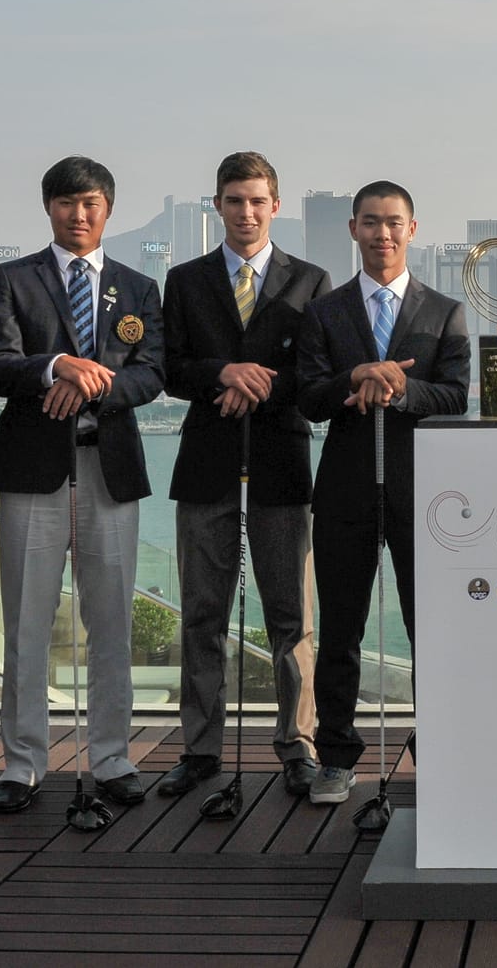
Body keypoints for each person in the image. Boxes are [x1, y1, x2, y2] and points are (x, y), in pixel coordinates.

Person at [0, 156, 165, 813]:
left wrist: (95, 382)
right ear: (47, 207)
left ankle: (112, 755)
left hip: (108, 467)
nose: (77, 215)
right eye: (65, 203)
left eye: (89, 203)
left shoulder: (139, 287)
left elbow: (152, 373)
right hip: (33, 470)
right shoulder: (11, 279)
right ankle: (23, 760)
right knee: (26, 617)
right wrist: (56, 366)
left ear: (108, 207)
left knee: (110, 618)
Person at [160, 151, 331, 798]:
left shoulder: (310, 281)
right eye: (235, 200)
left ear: (275, 205)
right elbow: (171, 366)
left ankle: (298, 742)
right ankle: (200, 749)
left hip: (281, 468)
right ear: (218, 205)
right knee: (202, 615)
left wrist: (258, 385)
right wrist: (221, 375)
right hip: (205, 467)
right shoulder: (185, 280)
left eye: (258, 200)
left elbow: (315, 373)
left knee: (291, 618)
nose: (247, 212)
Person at [295, 180, 469, 804]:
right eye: (370, 223)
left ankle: (441, 748)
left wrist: (398, 386)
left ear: (413, 230)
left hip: (424, 495)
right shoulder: (324, 311)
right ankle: (336, 755)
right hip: (343, 490)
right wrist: (354, 377)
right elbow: (308, 397)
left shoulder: (444, 310)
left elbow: (453, 395)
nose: (383, 235)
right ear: (353, 230)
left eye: (394, 223)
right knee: (341, 629)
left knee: (434, 627)